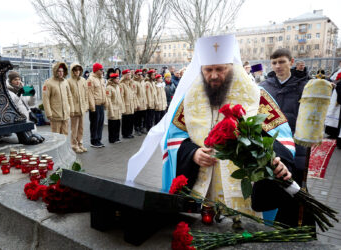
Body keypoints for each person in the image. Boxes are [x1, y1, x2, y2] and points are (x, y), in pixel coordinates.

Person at [128, 34, 307, 227]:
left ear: (232, 67)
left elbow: (282, 139)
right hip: (203, 189)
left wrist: (276, 158)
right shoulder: (189, 99)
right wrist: (193, 154)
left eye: (220, 69)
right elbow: (174, 138)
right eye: (208, 70)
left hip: (245, 188)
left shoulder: (256, 96)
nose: (213, 75)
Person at [259, 49, 308, 187]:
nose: (278, 66)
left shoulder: (304, 87)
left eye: (282, 62)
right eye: (274, 63)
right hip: (270, 145)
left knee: (294, 187)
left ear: (291, 62)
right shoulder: (262, 88)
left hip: (296, 145)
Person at [67, 63, 94, 153]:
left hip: (82, 108)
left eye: (79, 70)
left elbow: (86, 94)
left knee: (81, 128)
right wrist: (71, 108)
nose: (77, 72)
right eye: (75, 70)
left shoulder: (83, 80)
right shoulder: (69, 81)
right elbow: (68, 96)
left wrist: (86, 105)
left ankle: (80, 143)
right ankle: (74, 145)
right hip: (74, 109)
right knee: (74, 128)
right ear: (72, 71)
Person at [42, 62, 74, 135]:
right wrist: (49, 114)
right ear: (55, 71)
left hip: (65, 115)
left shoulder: (65, 82)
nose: (61, 73)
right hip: (55, 115)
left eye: (62, 71)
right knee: (56, 137)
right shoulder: (48, 83)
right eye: (59, 71)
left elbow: (69, 96)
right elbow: (45, 99)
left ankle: (64, 147)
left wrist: (71, 110)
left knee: (65, 135)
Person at [87, 63, 106, 148]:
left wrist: (105, 102)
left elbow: (103, 92)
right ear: (96, 70)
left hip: (101, 104)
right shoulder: (90, 80)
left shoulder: (101, 79)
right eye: (101, 69)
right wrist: (92, 106)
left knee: (100, 123)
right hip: (95, 105)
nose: (102, 71)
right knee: (94, 123)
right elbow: (90, 94)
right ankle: (93, 141)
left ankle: (98, 139)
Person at [106, 73, 124, 143]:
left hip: (118, 108)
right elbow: (108, 100)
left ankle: (117, 137)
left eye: (118, 78)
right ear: (113, 79)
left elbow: (120, 98)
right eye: (116, 78)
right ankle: (112, 139)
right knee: (112, 125)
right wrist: (111, 111)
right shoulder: (109, 87)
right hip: (113, 108)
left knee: (117, 124)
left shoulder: (117, 86)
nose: (118, 79)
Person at [119, 69, 136, 138]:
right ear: (124, 75)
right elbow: (121, 96)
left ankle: (130, 132)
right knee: (126, 119)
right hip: (126, 104)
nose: (129, 76)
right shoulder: (122, 84)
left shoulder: (130, 83)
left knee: (131, 119)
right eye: (128, 74)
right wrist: (122, 106)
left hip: (131, 104)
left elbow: (133, 94)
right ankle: (125, 133)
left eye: (130, 74)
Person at [133, 69, 148, 135]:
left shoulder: (143, 82)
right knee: (137, 117)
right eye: (139, 74)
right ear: (136, 75)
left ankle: (142, 128)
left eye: (141, 74)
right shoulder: (134, 82)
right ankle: (137, 129)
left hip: (143, 102)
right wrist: (137, 104)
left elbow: (145, 93)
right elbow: (134, 94)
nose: (140, 75)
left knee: (143, 116)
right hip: (138, 102)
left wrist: (146, 101)